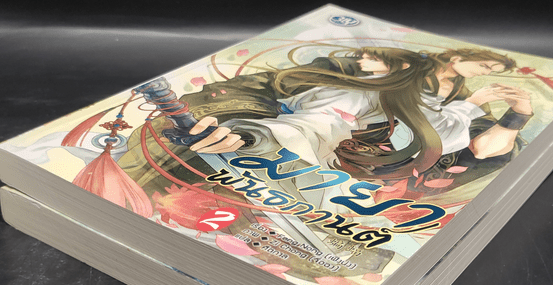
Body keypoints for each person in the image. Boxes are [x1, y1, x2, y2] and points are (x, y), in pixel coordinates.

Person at [185, 47, 533, 187]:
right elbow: (301, 107)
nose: (484, 72)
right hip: (312, 129)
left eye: (491, 71)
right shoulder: (381, 70)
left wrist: (520, 113)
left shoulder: (462, 97)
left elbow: (483, 149)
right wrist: (247, 131)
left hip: (371, 162)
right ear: (459, 56)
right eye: (484, 64)